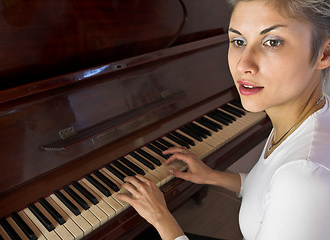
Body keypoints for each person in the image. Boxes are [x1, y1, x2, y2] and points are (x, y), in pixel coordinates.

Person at [117, 0, 330, 239]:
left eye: (272, 42)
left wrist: (161, 218)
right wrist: (212, 176)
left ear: (324, 52)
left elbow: (294, 182)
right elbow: (268, 188)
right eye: (238, 41)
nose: (243, 65)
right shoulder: (311, 117)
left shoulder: (304, 179)